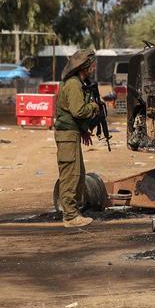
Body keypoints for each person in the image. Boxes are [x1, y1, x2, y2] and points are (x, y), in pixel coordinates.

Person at [54, 49, 99, 228]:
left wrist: (84, 131)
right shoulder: (74, 84)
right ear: (84, 67)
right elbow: (78, 111)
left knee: (78, 174)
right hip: (67, 136)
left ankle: (74, 212)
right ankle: (70, 216)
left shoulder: (78, 83)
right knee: (70, 176)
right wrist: (93, 106)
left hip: (72, 134)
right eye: (92, 65)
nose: (94, 68)